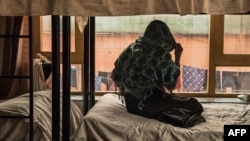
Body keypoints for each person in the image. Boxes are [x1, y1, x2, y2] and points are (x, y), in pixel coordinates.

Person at [111, 20, 205, 128]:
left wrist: (134, 87)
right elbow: (171, 85)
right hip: (147, 103)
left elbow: (116, 74)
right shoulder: (160, 55)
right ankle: (167, 115)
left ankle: (161, 113)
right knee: (193, 104)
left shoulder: (131, 48)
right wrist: (177, 57)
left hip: (130, 102)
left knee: (166, 100)